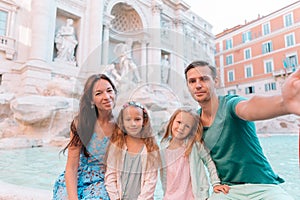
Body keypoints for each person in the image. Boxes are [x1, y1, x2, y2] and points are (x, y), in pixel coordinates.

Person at [184, 60, 299, 199]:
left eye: (204, 79)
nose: (198, 85)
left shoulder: (230, 104)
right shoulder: (195, 122)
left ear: (216, 81)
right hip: (227, 190)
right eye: (192, 81)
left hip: (263, 186)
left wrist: (284, 104)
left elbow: (250, 107)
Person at [52, 74, 117, 200]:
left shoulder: (121, 125)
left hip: (104, 181)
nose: (107, 97)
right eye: (99, 93)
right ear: (91, 100)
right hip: (77, 177)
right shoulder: (81, 124)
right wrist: (73, 197)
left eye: (109, 91)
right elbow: (71, 167)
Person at [160, 107, 230, 200]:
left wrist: (216, 183)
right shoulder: (162, 146)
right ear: (172, 121)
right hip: (170, 196)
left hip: (194, 196)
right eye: (179, 122)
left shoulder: (194, 145)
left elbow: (209, 161)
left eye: (187, 126)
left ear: (192, 130)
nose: (181, 128)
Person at [105, 101, 160, 200]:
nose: (133, 124)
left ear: (144, 121)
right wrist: (116, 198)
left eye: (137, 119)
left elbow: (150, 181)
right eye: (128, 119)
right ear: (122, 122)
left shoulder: (150, 149)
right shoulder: (117, 146)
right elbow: (110, 177)